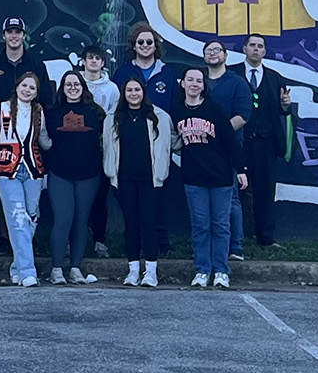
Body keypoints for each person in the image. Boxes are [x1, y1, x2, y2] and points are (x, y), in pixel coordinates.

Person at [170, 66, 244, 288]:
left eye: (199, 81)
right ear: (182, 83)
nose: (194, 84)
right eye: (190, 80)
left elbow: (231, 142)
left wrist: (240, 170)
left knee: (220, 225)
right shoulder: (177, 111)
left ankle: (221, 270)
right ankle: (202, 270)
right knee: (201, 225)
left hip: (221, 177)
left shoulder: (215, 110)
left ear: (204, 85)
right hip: (193, 178)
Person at [104, 69, 172, 287]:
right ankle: (133, 269)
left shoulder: (159, 117)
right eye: (129, 90)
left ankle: (150, 271)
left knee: (148, 223)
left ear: (144, 92)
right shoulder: (113, 119)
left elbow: (173, 143)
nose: (133, 94)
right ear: (124, 93)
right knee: (131, 224)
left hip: (151, 180)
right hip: (123, 180)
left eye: (137, 90)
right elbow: (106, 147)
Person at [0, 70, 51, 286]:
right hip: (7, 169)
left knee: (31, 218)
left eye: (32, 88)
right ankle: (27, 271)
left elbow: (45, 140)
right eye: (24, 86)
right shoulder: (2, 108)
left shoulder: (39, 112)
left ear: (36, 93)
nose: (27, 90)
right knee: (17, 218)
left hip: (33, 169)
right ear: (17, 87)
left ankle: (16, 265)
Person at [44, 70, 106, 284]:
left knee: (81, 222)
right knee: (63, 220)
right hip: (60, 173)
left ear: (83, 87)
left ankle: (76, 268)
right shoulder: (51, 113)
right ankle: (56, 268)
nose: (72, 88)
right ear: (63, 87)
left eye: (76, 84)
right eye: (68, 84)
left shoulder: (95, 113)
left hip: (89, 175)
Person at [238, 35, 293, 249]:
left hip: (266, 144)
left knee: (265, 190)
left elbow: (280, 109)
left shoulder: (275, 78)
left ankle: (266, 238)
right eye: (252, 45)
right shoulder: (233, 73)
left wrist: (285, 105)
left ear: (264, 52)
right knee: (238, 191)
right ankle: (238, 238)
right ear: (244, 48)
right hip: (241, 142)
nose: (256, 49)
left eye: (260, 46)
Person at [79, 45, 119, 258]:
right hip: (77, 148)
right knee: (76, 199)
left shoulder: (112, 88)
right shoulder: (74, 82)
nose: (93, 61)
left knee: (99, 198)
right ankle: (73, 241)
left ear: (103, 63)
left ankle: (100, 241)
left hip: (101, 148)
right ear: (83, 61)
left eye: (98, 58)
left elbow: (114, 117)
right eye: (90, 58)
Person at [0, 18, 41, 107]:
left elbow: (46, 98)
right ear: (3, 36)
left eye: (18, 32)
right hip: (0, 118)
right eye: (9, 32)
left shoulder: (37, 65)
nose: (14, 36)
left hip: (30, 117)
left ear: (24, 35)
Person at [112, 23, 173, 106]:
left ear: (155, 46)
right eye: (140, 42)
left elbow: (174, 104)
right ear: (134, 46)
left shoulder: (168, 73)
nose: (145, 45)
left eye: (149, 42)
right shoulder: (122, 73)